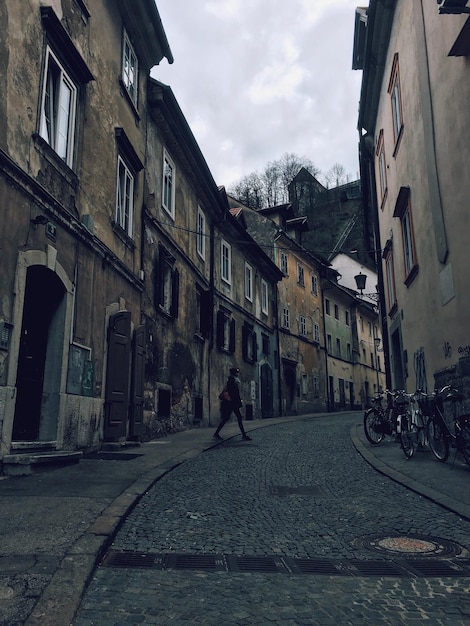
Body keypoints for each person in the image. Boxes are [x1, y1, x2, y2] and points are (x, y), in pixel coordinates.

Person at [213, 367, 251, 441]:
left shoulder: (233, 380)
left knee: (228, 418)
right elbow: (232, 392)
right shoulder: (232, 380)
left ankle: (217, 433)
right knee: (235, 418)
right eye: (237, 372)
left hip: (232, 403)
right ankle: (243, 435)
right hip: (232, 403)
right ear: (234, 373)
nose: (238, 373)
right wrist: (235, 400)